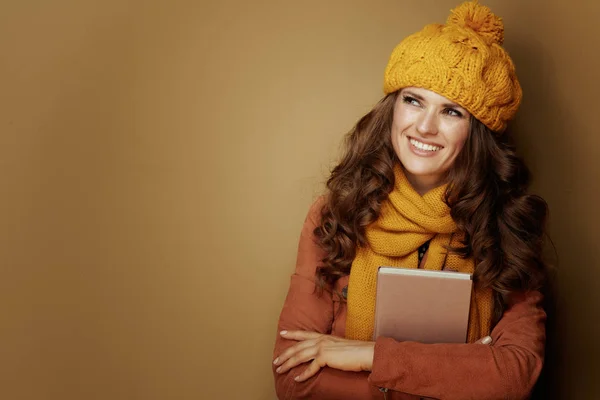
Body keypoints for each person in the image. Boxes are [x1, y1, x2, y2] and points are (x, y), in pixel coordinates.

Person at [272, 1, 548, 399]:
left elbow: (512, 377)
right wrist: (461, 370)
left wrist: (370, 357)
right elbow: (293, 378)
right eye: (413, 100)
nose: (424, 126)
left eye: (452, 111)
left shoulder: (510, 227)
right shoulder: (336, 213)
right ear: (392, 108)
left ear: (478, 132)